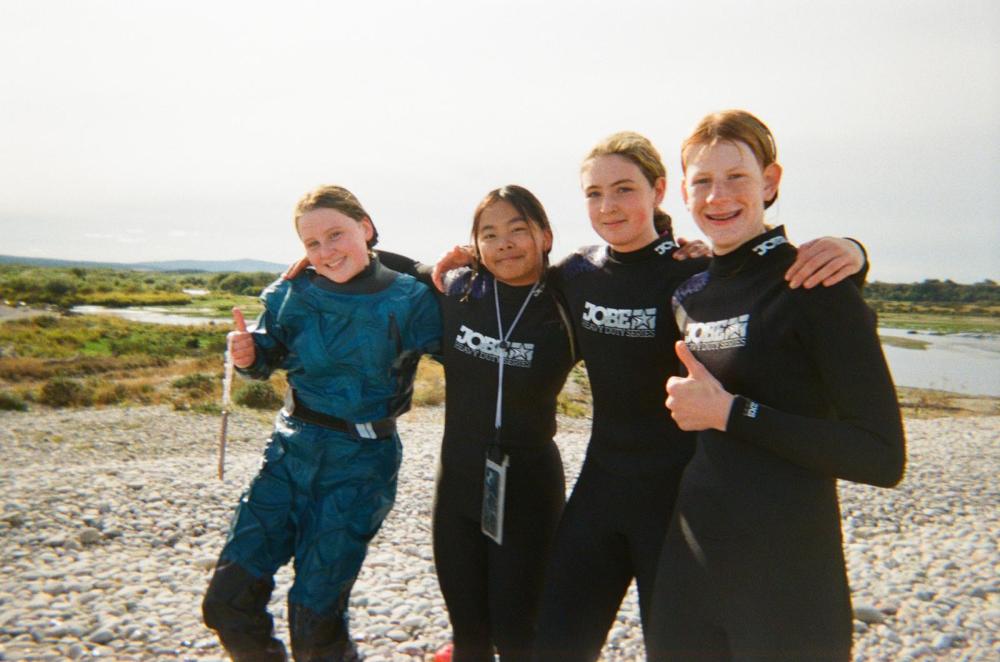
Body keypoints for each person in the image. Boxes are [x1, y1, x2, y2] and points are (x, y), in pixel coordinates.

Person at [432, 134, 868, 662]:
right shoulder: (576, 273)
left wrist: (853, 252)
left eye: (624, 189)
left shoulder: (694, 273)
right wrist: (461, 257)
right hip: (599, 490)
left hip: (674, 500)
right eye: (594, 193)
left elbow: (760, 278)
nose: (608, 206)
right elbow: (511, 276)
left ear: (659, 190)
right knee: (551, 646)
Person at [647, 110, 906, 660]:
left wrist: (730, 414)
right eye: (702, 181)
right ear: (684, 194)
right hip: (691, 563)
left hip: (788, 578)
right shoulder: (688, 294)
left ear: (770, 181)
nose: (718, 196)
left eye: (736, 177)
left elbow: (882, 457)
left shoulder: (816, 284)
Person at [201, 185, 442, 661]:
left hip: (361, 467)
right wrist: (251, 356)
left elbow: (469, 351)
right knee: (226, 603)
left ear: (366, 228)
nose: (326, 252)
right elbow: (267, 357)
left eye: (337, 235)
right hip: (289, 455)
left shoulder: (410, 299)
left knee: (314, 622)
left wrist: (432, 272)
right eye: (313, 244)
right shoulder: (293, 292)